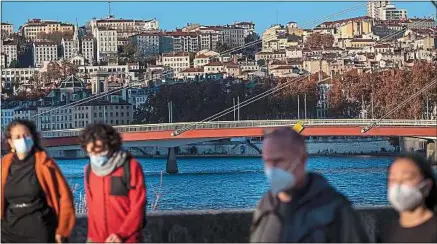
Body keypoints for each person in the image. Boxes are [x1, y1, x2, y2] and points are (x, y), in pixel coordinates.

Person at [250, 127, 369, 243]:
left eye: (279, 161)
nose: (272, 168)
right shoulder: (265, 205)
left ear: (302, 160)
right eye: (267, 161)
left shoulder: (335, 209)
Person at [1, 119, 76, 243]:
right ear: (10, 142)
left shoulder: (45, 164)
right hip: (9, 232)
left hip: (40, 229)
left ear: (33, 138)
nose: (23, 140)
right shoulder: (5, 165)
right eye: (18, 137)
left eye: (26, 136)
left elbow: (65, 197)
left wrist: (63, 230)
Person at [79, 123, 146, 243]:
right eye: (91, 152)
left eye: (99, 150)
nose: (96, 156)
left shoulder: (131, 167)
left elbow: (138, 206)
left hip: (126, 239)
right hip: (96, 239)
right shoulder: (89, 171)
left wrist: (122, 234)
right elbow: (91, 208)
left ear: (110, 145)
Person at [378, 153, 437, 243]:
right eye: (393, 179)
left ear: (427, 185)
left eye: (407, 178)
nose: (398, 185)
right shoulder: (387, 231)